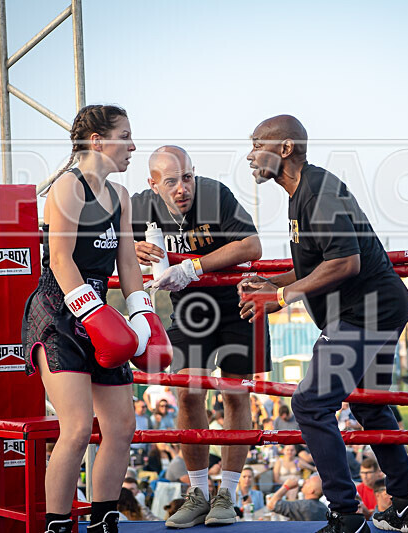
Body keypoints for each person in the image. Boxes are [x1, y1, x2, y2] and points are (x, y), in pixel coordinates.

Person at [240, 115, 408, 533]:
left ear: (285, 148)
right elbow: (318, 261)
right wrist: (273, 283)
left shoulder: (318, 191)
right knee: (367, 404)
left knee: (310, 404)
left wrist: (281, 297)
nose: (250, 155)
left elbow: (345, 262)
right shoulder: (302, 193)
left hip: (365, 313)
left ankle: (346, 513)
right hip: (377, 308)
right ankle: (407, 504)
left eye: (257, 144)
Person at [21, 105, 171, 533]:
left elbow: (126, 260)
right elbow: (62, 261)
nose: (133, 145)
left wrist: (142, 311)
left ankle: (105, 519)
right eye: (125, 135)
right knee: (76, 427)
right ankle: (57, 525)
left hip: (99, 310)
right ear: (98, 141)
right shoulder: (67, 189)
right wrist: (92, 312)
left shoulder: (120, 196)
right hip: (60, 315)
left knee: (123, 426)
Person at [132, 145, 270, 527]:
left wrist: (194, 267)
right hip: (189, 312)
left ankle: (227, 493)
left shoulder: (214, 194)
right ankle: (198, 493)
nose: (182, 188)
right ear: (153, 183)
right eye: (172, 181)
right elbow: (104, 243)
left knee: (234, 393)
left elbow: (252, 245)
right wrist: (131, 246)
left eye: (188, 177)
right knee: (187, 392)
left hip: (237, 305)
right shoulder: (140, 204)